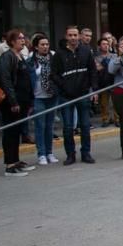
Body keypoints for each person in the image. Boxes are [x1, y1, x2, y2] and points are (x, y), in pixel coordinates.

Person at [51, 25, 98, 165]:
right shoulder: (59, 54)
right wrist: (64, 86)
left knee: (84, 125)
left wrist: (94, 89)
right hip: (66, 96)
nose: (73, 38)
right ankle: (70, 155)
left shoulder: (86, 51)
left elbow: (93, 71)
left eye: (75, 35)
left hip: (83, 94)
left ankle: (86, 153)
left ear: (79, 36)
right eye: (70, 35)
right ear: (66, 36)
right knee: (68, 127)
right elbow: (54, 74)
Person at [0, 30, 36, 177]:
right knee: (10, 131)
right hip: (12, 102)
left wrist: (30, 99)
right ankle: (10, 164)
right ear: (11, 41)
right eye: (19, 38)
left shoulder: (20, 56)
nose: (22, 40)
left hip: (23, 100)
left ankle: (16, 160)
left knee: (17, 131)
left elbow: (27, 78)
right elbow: (5, 80)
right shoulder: (7, 57)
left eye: (23, 37)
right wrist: (12, 101)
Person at [29, 35, 59, 166]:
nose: (45, 47)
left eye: (47, 44)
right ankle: (41, 153)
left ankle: (49, 152)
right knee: (40, 126)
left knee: (49, 126)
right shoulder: (31, 60)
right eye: (42, 44)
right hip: (38, 97)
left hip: (52, 96)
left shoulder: (54, 58)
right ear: (36, 47)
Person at [94, 38, 115, 127]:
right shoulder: (96, 57)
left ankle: (116, 119)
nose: (106, 45)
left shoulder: (114, 56)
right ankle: (105, 119)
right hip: (103, 82)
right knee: (104, 103)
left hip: (114, 81)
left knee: (115, 103)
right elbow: (97, 68)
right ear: (99, 46)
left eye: (107, 44)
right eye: (103, 44)